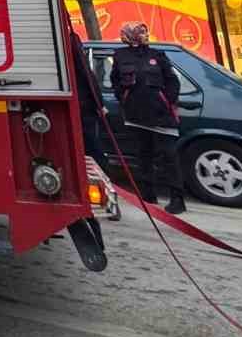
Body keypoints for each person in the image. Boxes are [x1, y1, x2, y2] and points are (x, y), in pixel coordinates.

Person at [109, 22, 186, 214]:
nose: (144, 35)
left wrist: (167, 100)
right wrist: (124, 99)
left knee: (169, 157)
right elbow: (115, 81)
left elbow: (172, 80)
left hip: (161, 117)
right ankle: (147, 194)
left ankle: (177, 198)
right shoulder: (120, 56)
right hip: (136, 116)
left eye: (144, 32)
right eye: (139, 32)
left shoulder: (157, 55)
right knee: (143, 155)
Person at [68, 28, 107, 164]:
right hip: (83, 103)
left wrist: (99, 103)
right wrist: (99, 104)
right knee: (90, 145)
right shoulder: (70, 39)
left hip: (81, 104)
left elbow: (86, 73)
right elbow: (86, 72)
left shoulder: (68, 39)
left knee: (90, 146)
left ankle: (102, 172)